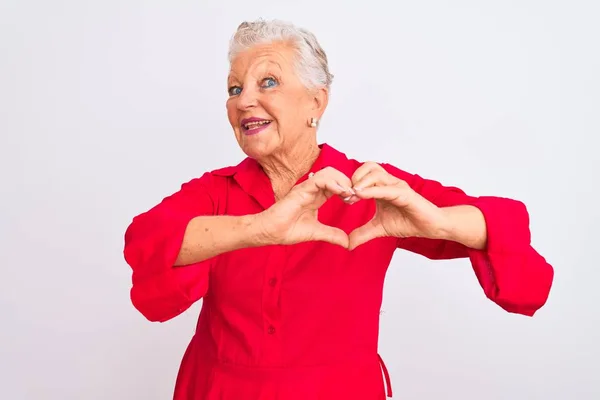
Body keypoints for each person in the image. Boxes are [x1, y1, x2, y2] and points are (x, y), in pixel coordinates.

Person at [123, 19, 554, 400]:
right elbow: (147, 241)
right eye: (234, 89)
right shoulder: (217, 190)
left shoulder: (368, 186)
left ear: (317, 101)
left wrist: (436, 220)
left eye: (267, 82)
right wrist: (260, 227)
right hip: (218, 390)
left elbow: (502, 225)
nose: (243, 101)